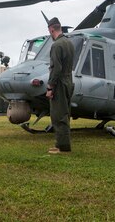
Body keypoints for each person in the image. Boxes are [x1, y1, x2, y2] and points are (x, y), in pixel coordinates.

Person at [45, 17, 75, 154]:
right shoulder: (69, 43)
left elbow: (56, 68)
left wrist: (50, 87)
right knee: (65, 114)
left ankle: (62, 147)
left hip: (60, 83)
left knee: (58, 115)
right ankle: (62, 144)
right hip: (69, 81)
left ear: (51, 29)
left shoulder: (56, 45)